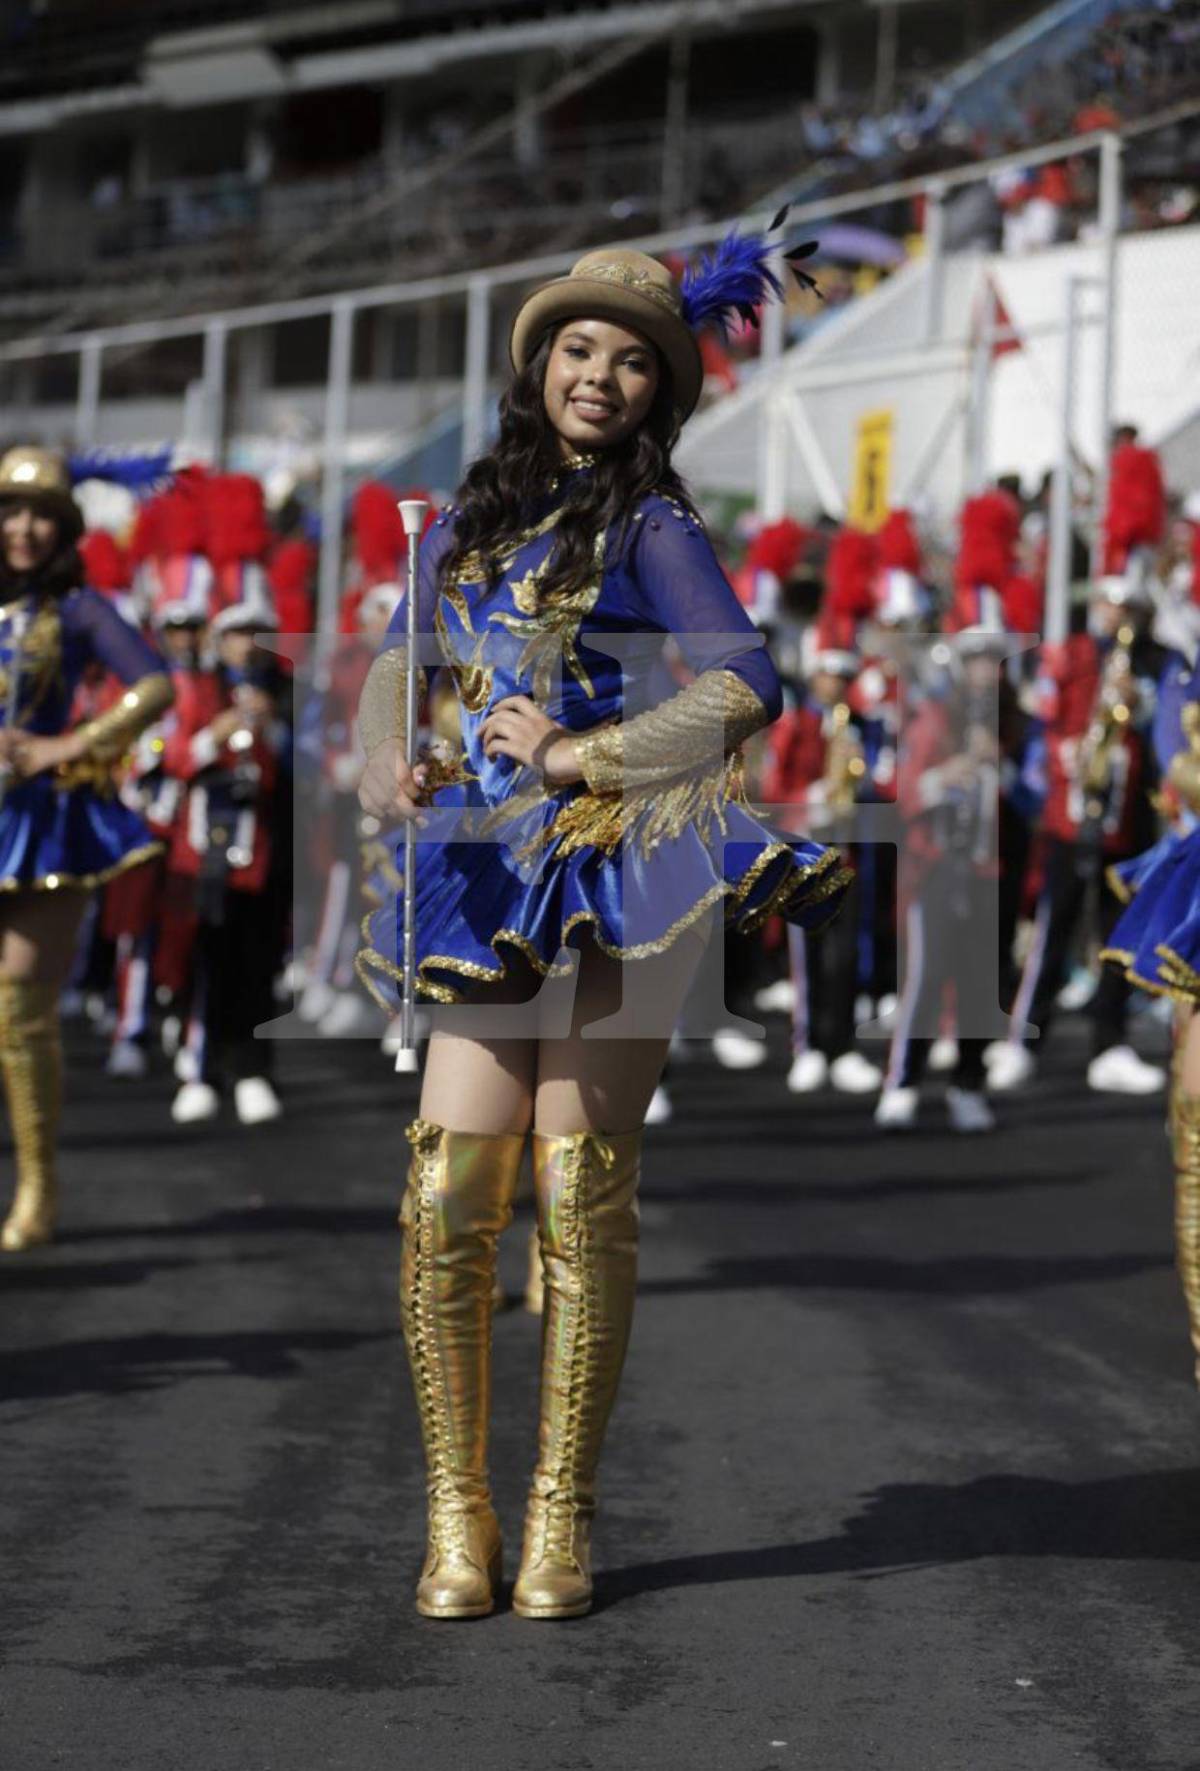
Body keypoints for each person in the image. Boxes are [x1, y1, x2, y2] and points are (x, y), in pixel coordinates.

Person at [356, 239, 849, 1620]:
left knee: (578, 1193)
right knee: (450, 1192)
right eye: (583, 348)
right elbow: (407, 657)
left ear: (657, 392)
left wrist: (583, 752)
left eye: (634, 359)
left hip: (624, 859)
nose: (603, 375)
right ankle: (459, 1512)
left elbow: (749, 680)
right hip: (489, 871)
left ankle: (559, 1509)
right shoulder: (467, 518)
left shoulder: (655, 526)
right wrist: (386, 754)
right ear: (540, 361)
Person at [0, 447, 174, 1250]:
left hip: (42, 826)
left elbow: (154, 685)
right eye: (11, 510)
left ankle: (37, 1180)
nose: (24, 528)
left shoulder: (76, 609)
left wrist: (61, 747)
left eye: (40, 515)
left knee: (20, 1008)